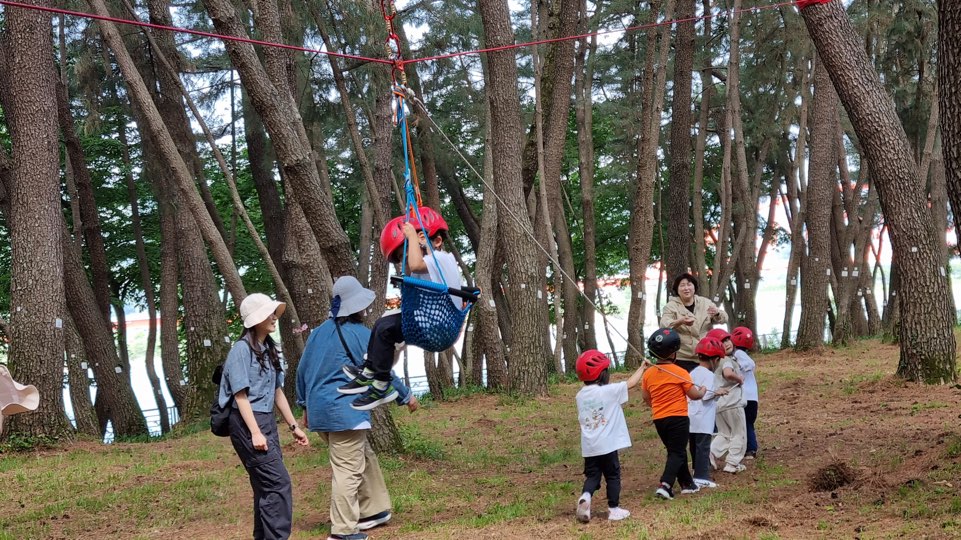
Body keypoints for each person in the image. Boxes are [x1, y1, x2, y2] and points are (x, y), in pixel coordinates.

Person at [297, 276, 419, 540]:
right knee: (347, 471)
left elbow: (302, 372)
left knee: (363, 456)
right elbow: (381, 369)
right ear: (357, 307)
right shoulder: (362, 334)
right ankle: (342, 531)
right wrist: (405, 396)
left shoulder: (317, 333)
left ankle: (373, 510)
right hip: (345, 414)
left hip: (321, 413)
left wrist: (305, 407)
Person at [339, 207, 465, 411]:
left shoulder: (441, 259)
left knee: (385, 328)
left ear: (437, 241)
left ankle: (379, 382)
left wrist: (412, 237)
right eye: (401, 257)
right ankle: (370, 372)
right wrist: (412, 244)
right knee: (382, 325)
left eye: (407, 252)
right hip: (429, 323)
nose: (406, 260)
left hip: (437, 325)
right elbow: (412, 268)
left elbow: (415, 265)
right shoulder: (429, 264)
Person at [218, 293, 309, 540]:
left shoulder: (268, 348)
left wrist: (293, 426)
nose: (273, 317)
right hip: (247, 424)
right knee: (278, 485)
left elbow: (276, 390)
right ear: (255, 320)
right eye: (268, 314)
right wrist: (255, 432)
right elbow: (240, 397)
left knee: (264, 489)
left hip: (266, 421)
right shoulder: (240, 350)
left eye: (273, 312)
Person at [574, 350, 644, 523]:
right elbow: (630, 383)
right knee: (613, 476)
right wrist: (643, 367)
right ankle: (613, 509)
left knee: (593, 477)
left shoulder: (580, 396)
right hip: (608, 446)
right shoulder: (609, 392)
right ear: (602, 374)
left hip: (590, 447)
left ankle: (586, 496)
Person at [641, 328, 708, 500]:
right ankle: (665, 484)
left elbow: (646, 398)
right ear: (674, 352)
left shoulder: (648, 374)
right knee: (677, 452)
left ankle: (687, 483)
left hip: (659, 420)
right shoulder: (679, 372)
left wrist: (658, 405)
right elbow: (693, 395)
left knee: (675, 451)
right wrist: (702, 391)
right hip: (678, 418)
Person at [659, 273, 728, 372]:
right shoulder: (671, 306)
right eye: (682, 285)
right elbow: (664, 324)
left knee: (707, 384)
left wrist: (717, 314)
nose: (686, 288)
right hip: (683, 357)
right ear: (677, 289)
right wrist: (680, 321)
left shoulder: (705, 302)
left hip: (706, 354)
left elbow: (724, 319)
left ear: (694, 287)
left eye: (689, 284)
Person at [688, 337, 729, 489]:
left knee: (694, 446)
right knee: (703, 448)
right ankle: (701, 476)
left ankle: (695, 472)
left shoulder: (692, 373)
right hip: (703, 418)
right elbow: (704, 395)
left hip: (690, 416)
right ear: (715, 359)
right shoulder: (709, 375)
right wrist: (717, 392)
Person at [708, 328, 748, 474]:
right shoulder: (726, 360)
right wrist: (739, 378)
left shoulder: (713, 364)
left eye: (727, 339)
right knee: (739, 433)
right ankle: (733, 462)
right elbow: (728, 373)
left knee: (724, 433)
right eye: (721, 342)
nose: (726, 344)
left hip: (719, 405)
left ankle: (711, 452)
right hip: (732, 403)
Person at [731, 327, 759, 459]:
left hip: (745, 397)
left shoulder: (738, 355)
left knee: (745, 423)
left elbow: (750, 364)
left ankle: (750, 449)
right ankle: (749, 448)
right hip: (752, 397)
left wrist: (738, 367)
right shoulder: (741, 354)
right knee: (748, 423)